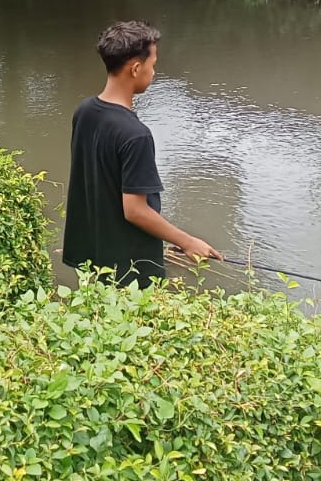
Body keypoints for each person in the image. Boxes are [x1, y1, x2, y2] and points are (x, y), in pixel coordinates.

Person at [62, 20, 222, 289]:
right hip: (130, 270)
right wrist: (187, 242)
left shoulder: (85, 111)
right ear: (136, 68)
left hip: (94, 258)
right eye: (153, 64)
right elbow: (135, 211)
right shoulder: (135, 135)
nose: (154, 71)